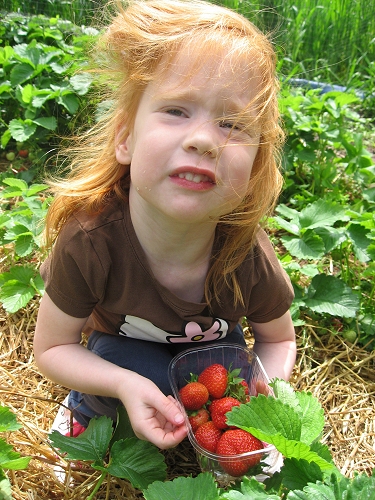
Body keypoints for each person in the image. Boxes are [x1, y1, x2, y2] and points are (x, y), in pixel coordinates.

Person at [33, 0, 296, 450]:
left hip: (211, 364)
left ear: (253, 168)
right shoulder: (91, 242)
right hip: (124, 354)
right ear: (125, 139)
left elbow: (279, 339)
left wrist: (262, 386)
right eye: (176, 110)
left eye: (232, 123)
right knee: (130, 371)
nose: (203, 140)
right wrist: (121, 386)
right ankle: (86, 409)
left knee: (227, 362)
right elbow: (52, 349)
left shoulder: (245, 252)